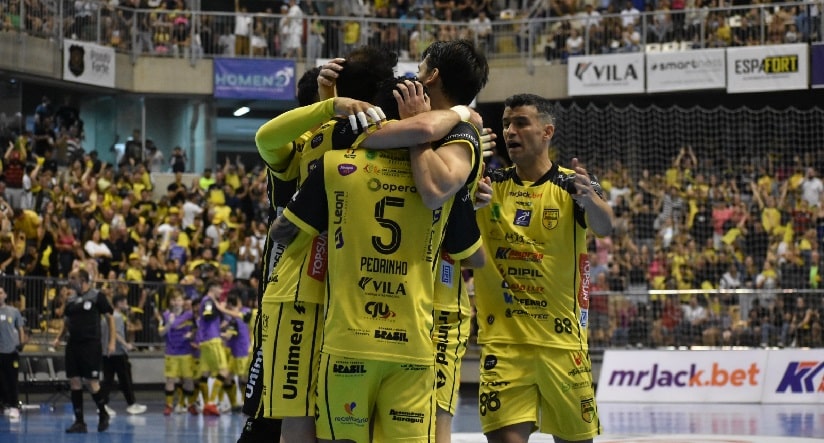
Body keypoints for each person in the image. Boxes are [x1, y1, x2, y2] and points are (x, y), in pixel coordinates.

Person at [268, 75, 484, 443]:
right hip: (413, 342)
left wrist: (325, 222)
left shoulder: (336, 164)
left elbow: (281, 232)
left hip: (347, 340)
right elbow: (474, 258)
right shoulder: (446, 187)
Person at [473, 94, 613, 443]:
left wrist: (589, 200)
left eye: (521, 122)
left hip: (562, 345)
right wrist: (467, 204)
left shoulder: (576, 183)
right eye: (506, 123)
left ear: (547, 130)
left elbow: (606, 225)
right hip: (505, 345)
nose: (510, 131)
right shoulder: (489, 187)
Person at [51, 269, 117, 433]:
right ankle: (80, 422)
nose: (70, 280)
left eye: (72, 278)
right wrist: (59, 338)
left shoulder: (97, 296)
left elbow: (110, 318)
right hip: (73, 344)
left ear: (83, 280)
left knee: (91, 382)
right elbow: (67, 321)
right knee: (74, 380)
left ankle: (103, 413)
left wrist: (112, 342)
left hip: (91, 344)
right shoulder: (71, 299)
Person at [100, 294, 147, 416]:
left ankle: (103, 404)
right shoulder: (118, 317)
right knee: (125, 379)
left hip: (106, 352)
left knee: (108, 380)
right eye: (125, 302)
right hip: (117, 352)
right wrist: (126, 345)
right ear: (119, 303)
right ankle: (131, 404)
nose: (127, 304)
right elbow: (116, 333)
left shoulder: (106, 317)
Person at [158, 290, 198, 416]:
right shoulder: (165, 315)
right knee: (170, 379)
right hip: (171, 352)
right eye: (174, 300)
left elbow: (196, 330)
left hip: (186, 352)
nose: (176, 303)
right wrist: (169, 323)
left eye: (179, 300)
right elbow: (161, 333)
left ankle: (190, 404)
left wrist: (191, 335)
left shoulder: (190, 315)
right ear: (170, 301)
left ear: (183, 301)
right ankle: (169, 405)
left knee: (188, 379)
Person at [0, 287, 26, 421]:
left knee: (12, 379)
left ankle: (14, 406)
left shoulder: (13, 311)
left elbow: (20, 328)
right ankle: (3, 404)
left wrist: (21, 343)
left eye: (0, 293)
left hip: (11, 351)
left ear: (5, 295)